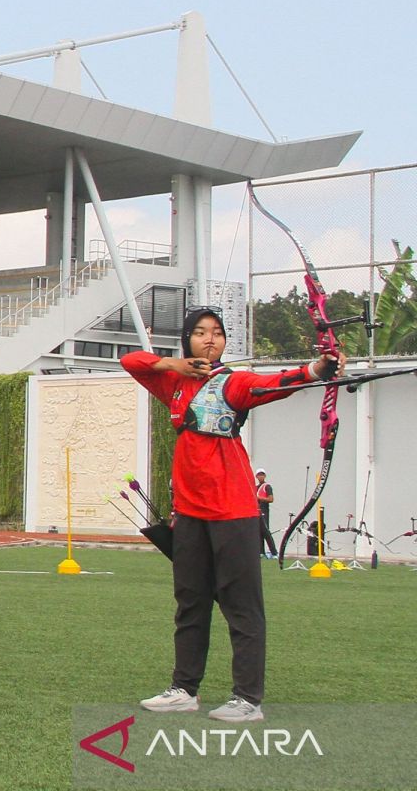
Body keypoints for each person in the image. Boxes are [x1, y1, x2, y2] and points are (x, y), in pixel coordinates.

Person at [120, 308, 341, 723]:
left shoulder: (233, 381)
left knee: (242, 607)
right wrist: (174, 364)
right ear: (187, 341)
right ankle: (184, 689)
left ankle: (247, 699)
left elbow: (273, 384)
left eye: (217, 334)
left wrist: (316, 368)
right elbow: (131, 361)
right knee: (190, 604)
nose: (209, 340)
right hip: (188, 513)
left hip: (233, 510)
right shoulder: (174, 384)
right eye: (200, 333)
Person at [255, 469, 278, 558]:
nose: (260, 476)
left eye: (262, 475)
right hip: (257, 511)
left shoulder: (267, 486)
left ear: (264, 476)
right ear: (256, 476)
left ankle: (274, 552)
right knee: (259, 532)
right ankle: (261, 552)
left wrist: (259, 498)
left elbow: (271, 499)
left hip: (264, 511)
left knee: (266, 531)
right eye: (259, 475)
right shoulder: (255, 487)